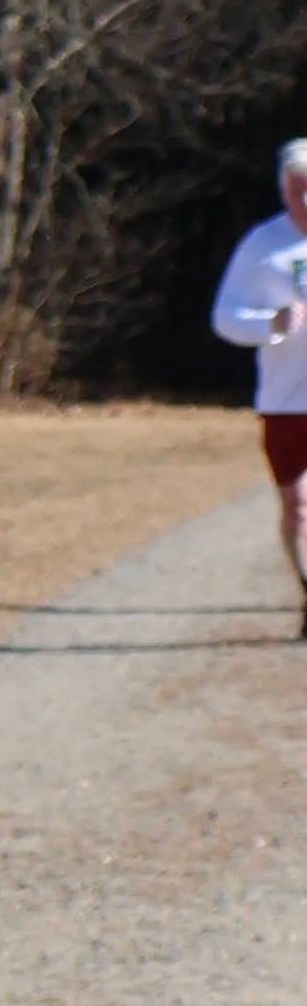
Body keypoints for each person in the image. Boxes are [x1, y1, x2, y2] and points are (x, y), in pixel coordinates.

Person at [211, 138, 307, 635]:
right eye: (297, 190)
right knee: (297, 505)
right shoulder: (262, 246)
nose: (305, 199)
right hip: (286, 400)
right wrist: (270, 322)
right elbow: (224, 318)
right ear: (282, 191)